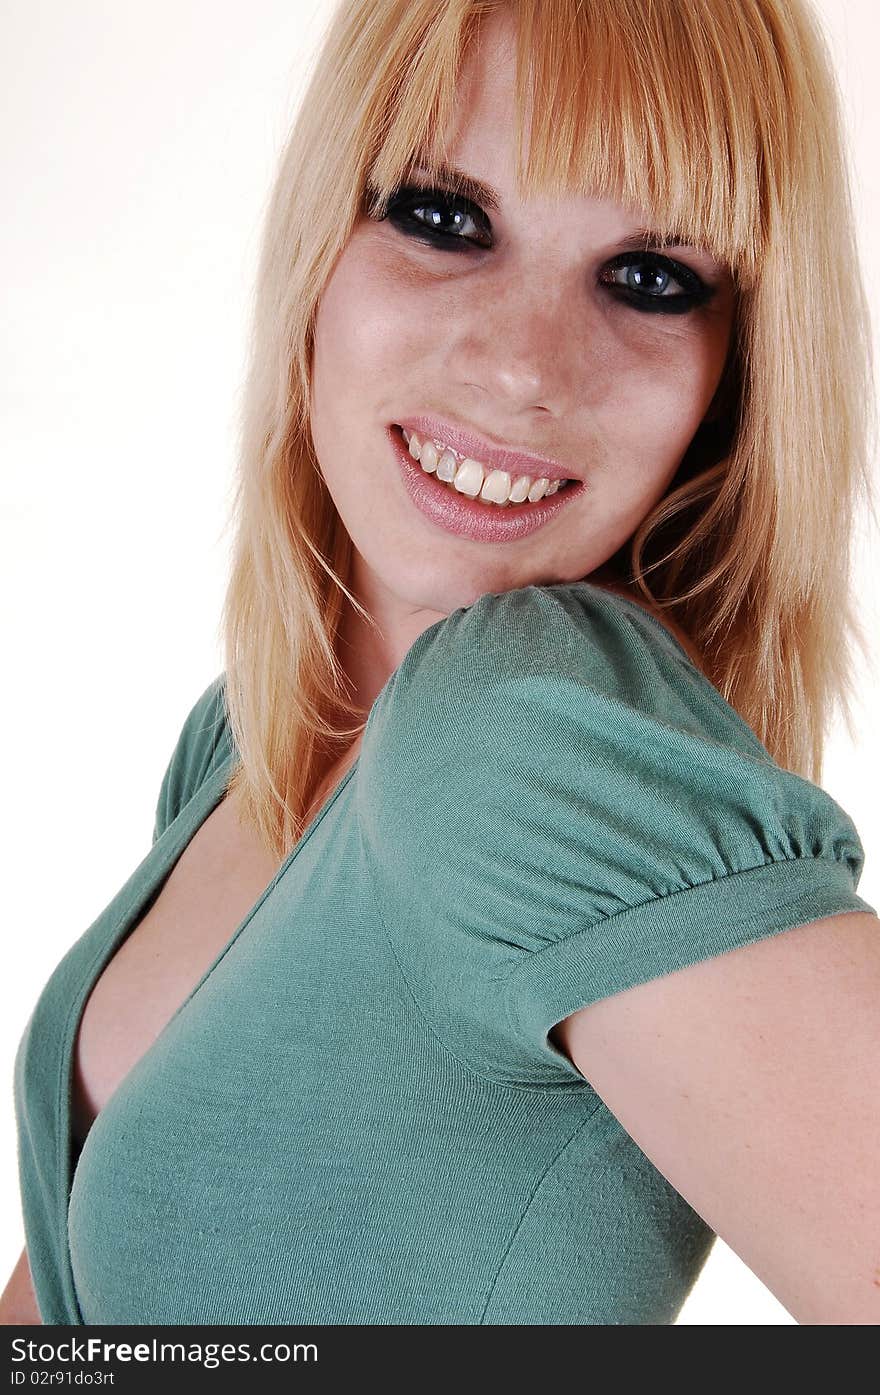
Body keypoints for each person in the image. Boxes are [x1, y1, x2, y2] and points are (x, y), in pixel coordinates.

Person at [3, 0, 878, 1327]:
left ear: (736, 375)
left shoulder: (526, 734)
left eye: (650, 278)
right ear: (321, 241)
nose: (527, 369)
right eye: (443, 218)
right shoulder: (250, 735)